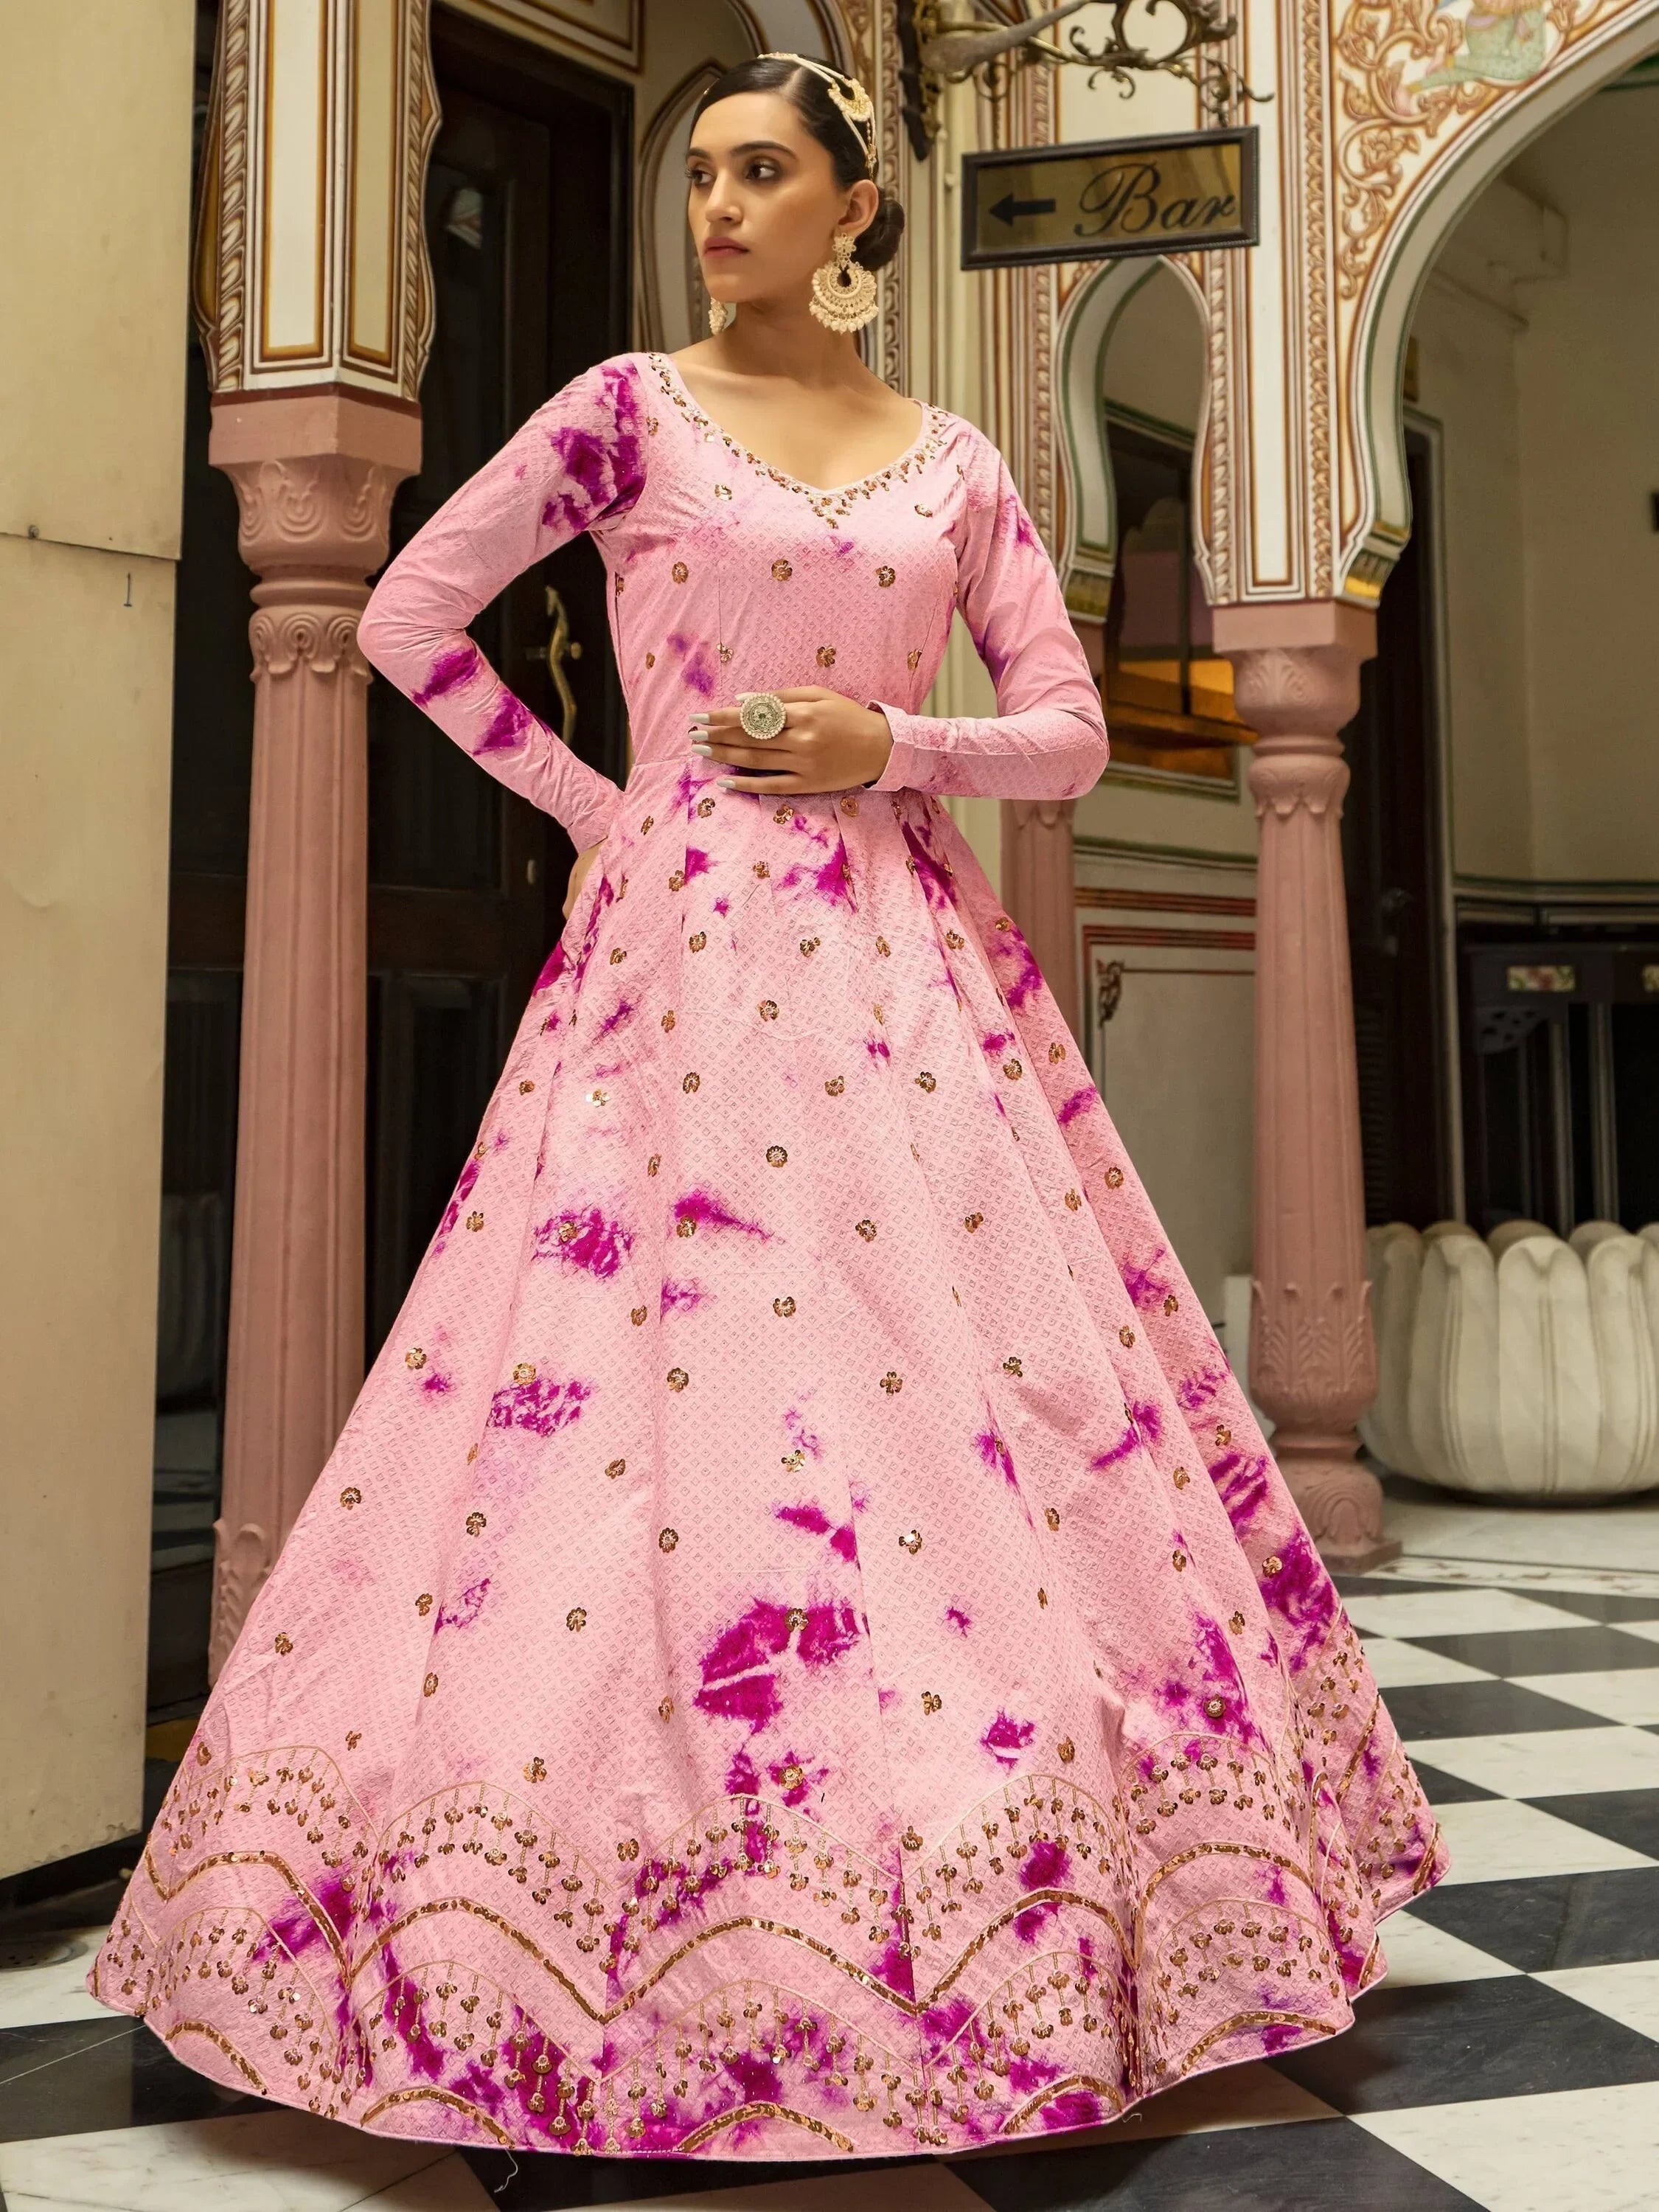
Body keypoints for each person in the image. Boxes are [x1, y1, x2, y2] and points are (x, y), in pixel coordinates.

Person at [91, 52, 1446, 2160]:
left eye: (757, 173)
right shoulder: (625, 411)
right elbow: (406, 613)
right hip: (682, 966)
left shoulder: (957, 462)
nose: (714, 209)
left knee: (939, 1402)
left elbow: (1071, 735)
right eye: (697, 174)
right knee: (652, 1393)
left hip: (909, 975)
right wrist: (601, 808)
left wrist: (887, 743)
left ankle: (1005, 1904)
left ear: (853, 207)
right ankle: (581, 1924)